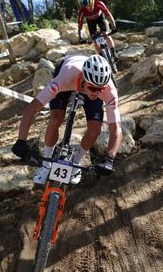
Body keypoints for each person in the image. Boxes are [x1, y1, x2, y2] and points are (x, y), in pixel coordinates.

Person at [11, 54, 122, 185]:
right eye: (92, 88)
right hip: (68, 75)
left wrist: (109, 158)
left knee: (95, 129)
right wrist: (21, 140)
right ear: (84, 80)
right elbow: (32, 108)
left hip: (82, 81)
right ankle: (46, 164)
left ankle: (75, 163)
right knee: (56, 118)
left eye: (100, 89)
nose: (96, 93)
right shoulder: (66, 77)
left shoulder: (108, 90)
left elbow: (116, 128)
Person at [77, 0, 118, 64]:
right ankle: (102, 58)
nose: (88, 8)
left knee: (106, 34)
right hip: (90, 22)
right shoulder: (82, 11)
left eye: (89, 6)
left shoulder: (99, 4)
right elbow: (80, 26)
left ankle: (114, 53)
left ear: (93, 3)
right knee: (95, 40)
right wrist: (80, 37)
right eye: (86, 6)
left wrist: (114, 26)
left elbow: (108, 15)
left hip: (100, 18)